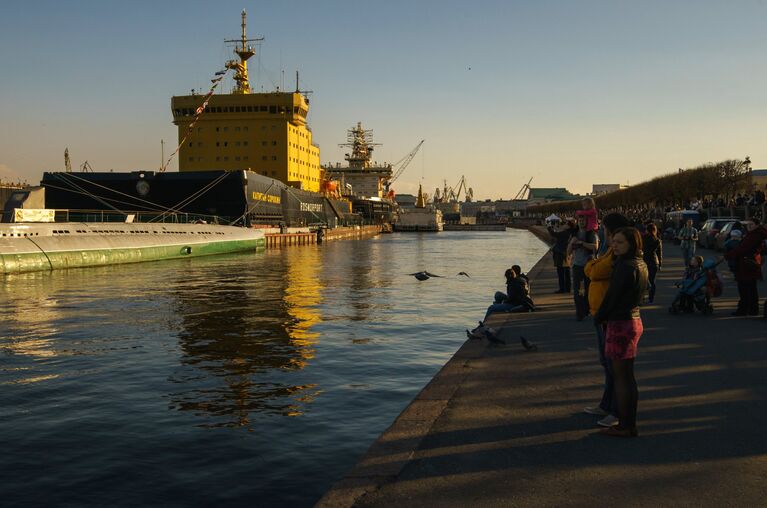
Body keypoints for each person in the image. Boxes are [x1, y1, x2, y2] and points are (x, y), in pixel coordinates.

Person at [594, 227, 648, 438]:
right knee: (627, 376)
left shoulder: (624, 266)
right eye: (613, 241)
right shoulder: (640, 263)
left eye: (620, 242)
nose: (614, 245)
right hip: (634, 320)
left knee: (621, 377)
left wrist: (599, 317)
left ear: (632, 244)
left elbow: (612, 297)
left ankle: (626, 425)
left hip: (620, 323)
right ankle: (628, 423)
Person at [583, 212, 630, 428]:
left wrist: (591, 265)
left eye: (604, 227)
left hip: (609, 316)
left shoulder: (617, 253)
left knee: (613, 366)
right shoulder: (610, 250)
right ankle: (606, 404)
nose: (601, 229)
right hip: (601, 313)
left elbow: (595, 270)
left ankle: (615, 410)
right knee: (606, 363)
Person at [723, 219, 767, 316]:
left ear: (757, 225)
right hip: (749, 263)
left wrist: (727, 256)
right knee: (750, 288)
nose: (749, 226)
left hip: (747, 264)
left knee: (745, 287)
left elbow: (742, 248)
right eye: (748, 224)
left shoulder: (755, 235)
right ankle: (751, 309)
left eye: (751, 224)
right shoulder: (754, 234)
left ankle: (745, 310)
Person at [567, 217, 599, 320]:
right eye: (580, 221)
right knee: (578, 290)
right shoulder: (575, 234)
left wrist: (582, 243)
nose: (581, 222)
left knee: (589, 289)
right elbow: (568, 252)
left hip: (589, 265)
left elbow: (595, 247)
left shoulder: (591, 234)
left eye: (583, 220)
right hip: (577, 265)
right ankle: (579, 312)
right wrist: (572, 243)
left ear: (587, 221)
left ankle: (587, 309)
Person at [548, 220, 575, 293]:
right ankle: (568, 288)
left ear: (569, 226)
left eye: (566, 223)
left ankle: (562, 288)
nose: (564, 224)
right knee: (567, 271)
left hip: (560, 254)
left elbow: (553, 234)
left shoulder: (565, 233)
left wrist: (549, 227)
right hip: (567, 254)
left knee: (560, 272)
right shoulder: (571, 233)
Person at [642, 223, 663, 303]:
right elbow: (659, 253)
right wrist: (660, 264)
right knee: (652, 281)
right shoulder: (657, 240)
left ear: (647, 230)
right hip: (654, 261)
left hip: (644, 261)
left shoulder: (644, 238)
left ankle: (642, 297)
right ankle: (651, 298)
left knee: (643, 280)